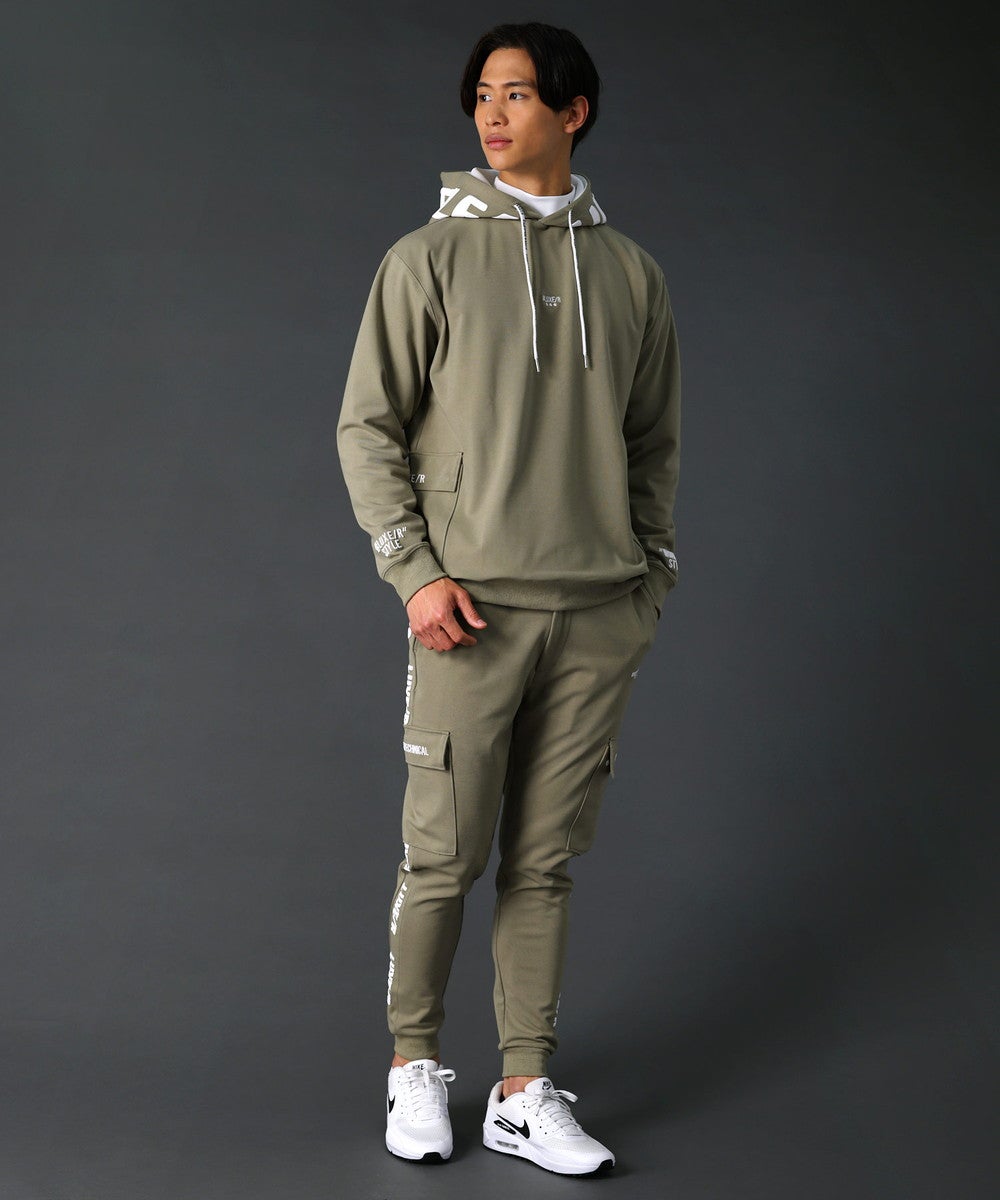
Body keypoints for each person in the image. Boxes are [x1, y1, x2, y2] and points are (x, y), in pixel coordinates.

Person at [337, 21, 681, 1177]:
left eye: (518, 94)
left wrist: (648, 580)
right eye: (481, 93)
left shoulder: (631, 273)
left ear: (572, 112)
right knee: (442, 857)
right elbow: (366, 428)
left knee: (544, 862)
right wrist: (414, 572)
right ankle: (414, 1064)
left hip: (597, 612)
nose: (491, 113)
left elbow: (654, 445)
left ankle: (524, 1088)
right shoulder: (424, 259)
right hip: (467, 612)